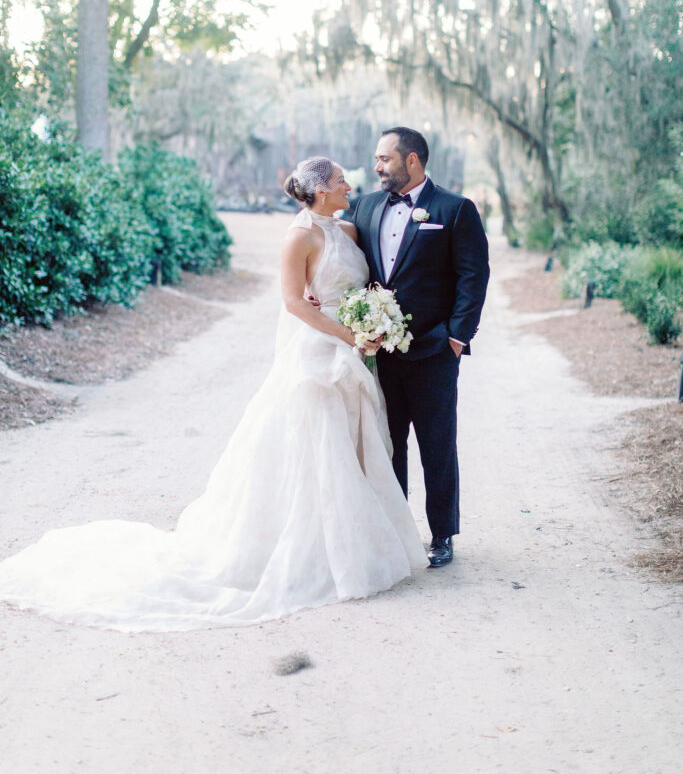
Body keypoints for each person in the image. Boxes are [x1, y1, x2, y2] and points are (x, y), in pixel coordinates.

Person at [0, 157, 427, 632]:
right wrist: (350, 336)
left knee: (351, 443)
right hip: (320, 349)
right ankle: (316, 551)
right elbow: (293, 302)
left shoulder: (347, 230)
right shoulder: (299, 236)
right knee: (318, 445)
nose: (350, 186)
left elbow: (362, 283)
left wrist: (371, 320)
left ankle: (352, 541)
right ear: (322, 190)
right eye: (342, 181)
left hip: (352, 347)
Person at [352, 128, 489, 568]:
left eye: (384, 158)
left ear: (411, 160)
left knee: (437, 446)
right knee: (388, 445)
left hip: (434, 351)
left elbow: (473, 276)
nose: (377, 166)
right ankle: (396, 531)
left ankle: (442, 534)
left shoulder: (455, 209)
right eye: (377, 159)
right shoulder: (365, 206)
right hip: (381, 354)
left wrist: (456, 338)